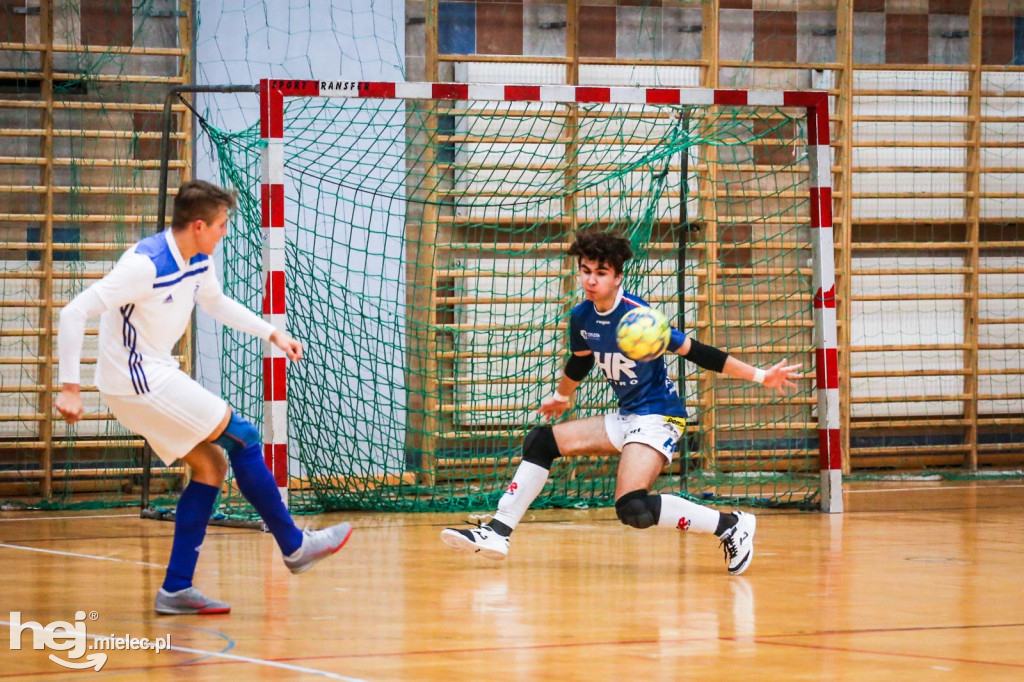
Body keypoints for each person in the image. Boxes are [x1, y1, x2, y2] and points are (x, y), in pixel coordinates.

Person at [55, 180, 352, 615]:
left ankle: (176, 589)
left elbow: (216, 303)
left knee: (211, 466)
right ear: (198, 225)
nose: (224, 233)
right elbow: (73, 311)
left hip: (154, 373)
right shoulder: (145, 264)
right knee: (244, 436)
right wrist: (69, 387)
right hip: (135, 379)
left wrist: (272, 332)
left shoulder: (199, 259)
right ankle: (294, 545)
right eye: (220, 225)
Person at [441, 230, 801, 575]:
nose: (591, 280)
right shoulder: (582, 315)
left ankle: (731, 525)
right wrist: (562, 396)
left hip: (660, 416)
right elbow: (581, 359)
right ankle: (498, 531)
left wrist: (761, 376)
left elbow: (699, 353)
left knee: (634, 508)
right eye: (585, 271)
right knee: (542, 440)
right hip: (628, 416)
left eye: (601, 273)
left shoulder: (638, 318)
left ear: (617, 276)